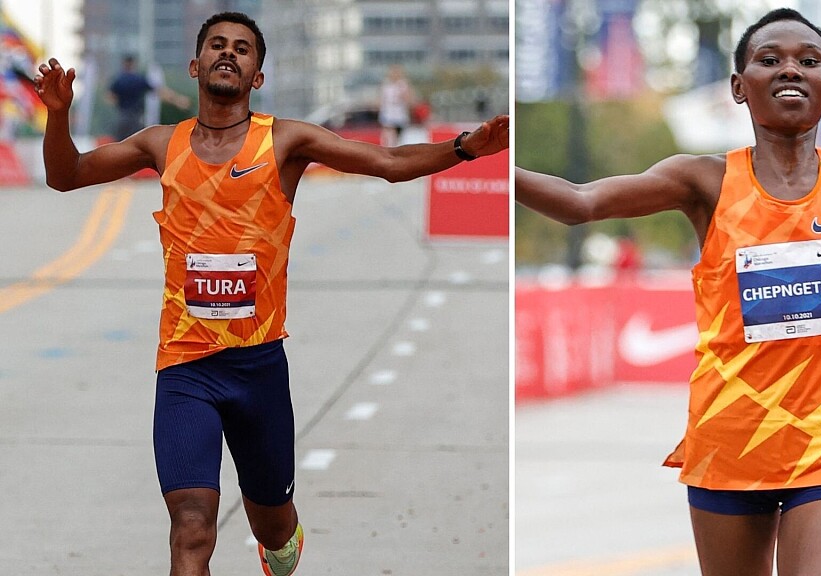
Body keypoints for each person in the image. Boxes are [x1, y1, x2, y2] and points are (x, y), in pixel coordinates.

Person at [515, 7, 821, 576]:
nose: (790, 69)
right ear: (739, 87)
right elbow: (580, 203)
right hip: (730, 440)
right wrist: (487, 161)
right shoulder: (704, 181)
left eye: (809, 60)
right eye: (770, 59)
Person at [35, 11, 508, 576]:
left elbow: (386, 162)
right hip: (186, 367)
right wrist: (58, 115)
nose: (227, 53)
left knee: (273, 527)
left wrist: (464, 147)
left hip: (258, 369)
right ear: (195, 66)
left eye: (242, 48)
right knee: (191, 527)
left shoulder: (285, 141)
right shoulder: (161, 143)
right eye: (216, 44)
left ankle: (280, 541)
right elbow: (66, 174)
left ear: (257, 76)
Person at [107, 55, 190, 140]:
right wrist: (177, 100)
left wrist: (119, 103)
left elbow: (110, 96)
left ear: (124, 64)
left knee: (120, 142)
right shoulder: (138, 79)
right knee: (137, 142)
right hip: (135, 117)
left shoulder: (118, 80)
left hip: (122, 116)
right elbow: (158, 91)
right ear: (133, 64)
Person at [378, 64, 413, 146]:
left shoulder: (403, 85)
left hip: (400, 114)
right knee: (389, 135)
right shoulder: (386, 85)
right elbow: (381, 99)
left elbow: (409, 100)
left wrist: (403, 94)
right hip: (388, 114)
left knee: (399, 137)